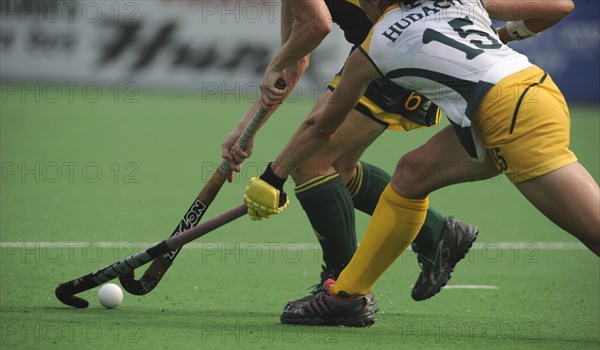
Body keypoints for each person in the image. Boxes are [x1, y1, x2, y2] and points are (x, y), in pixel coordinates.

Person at [243, 0, 598, 327]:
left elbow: (321, 126)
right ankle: (346, 294)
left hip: (512, 117)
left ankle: (346, 290)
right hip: (529, 91)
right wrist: (500, 37)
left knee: (593, 229)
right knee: (412, 175)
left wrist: (274, 176)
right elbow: (559, 5)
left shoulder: (379, 41)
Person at [223, 0, 479, 311]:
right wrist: (246, 130)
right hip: (390, 48)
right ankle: (438, 234)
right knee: (337, 168)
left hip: (401, 48)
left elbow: (317, 26)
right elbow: (294, 62)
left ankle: (343, 291)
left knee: (310, 164)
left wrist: (272, 177)